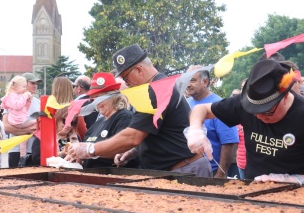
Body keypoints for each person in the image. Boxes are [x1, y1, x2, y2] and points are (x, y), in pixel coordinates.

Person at [66, 43, 212, 177]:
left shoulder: (155, 90)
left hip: (185, 169)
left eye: (126, 78)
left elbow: (133, 136)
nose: (127, 84)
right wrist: (133, 151)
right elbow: (156, 131)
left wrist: (89, 149)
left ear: (139, 70)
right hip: (179, 168)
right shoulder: (156, 86)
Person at [185, 59, 304, 185]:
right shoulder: (243, 103)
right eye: (254, 111)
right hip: (252, 186)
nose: (259, 116)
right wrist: (196, 130)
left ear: (285, 97)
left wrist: (296, 179)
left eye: (267, 111)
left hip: (294, 193)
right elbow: (201, 109)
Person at [186, 66, 238, 178]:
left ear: (205, 82)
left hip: (211, 172)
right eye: (187, 80)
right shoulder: (185, 104)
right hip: (188, 170)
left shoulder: (219, 106)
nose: (188, 84)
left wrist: (220, 175)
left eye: (192, 80)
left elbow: (228, 144)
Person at [82, 72, 136, 168]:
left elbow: (122, 149)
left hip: (111, 177)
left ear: (112, 96)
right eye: (93, 99)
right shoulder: (98, 122)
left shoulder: (124, 117)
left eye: (99, 98)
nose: (96, 103)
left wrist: (88, 151)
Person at [3, 72, 41, 168]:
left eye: (36, 83)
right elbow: (6, 127)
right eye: (32, 83)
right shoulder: (12, 99)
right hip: (16, 150)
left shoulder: (39, 102)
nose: (35, 86)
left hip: (35, 150)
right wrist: (28, 131)